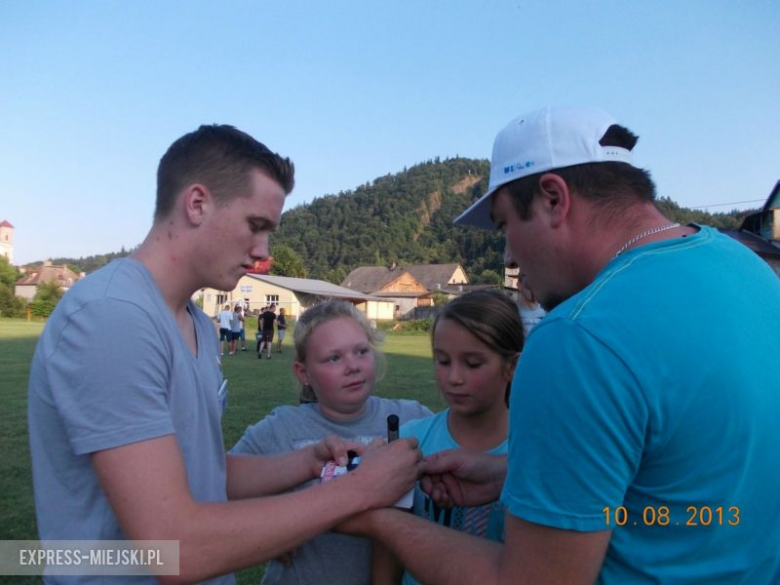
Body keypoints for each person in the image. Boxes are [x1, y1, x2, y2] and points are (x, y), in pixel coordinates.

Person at [338, 106, 780, 583]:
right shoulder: (748, 270)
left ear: (553, 198)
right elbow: (683, 486)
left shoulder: (579, 337)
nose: (508, 255)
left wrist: (378, 516)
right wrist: (510, 474)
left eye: (505, 225)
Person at [27, 124, 424, 584]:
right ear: (197, 204)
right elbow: (173, 549)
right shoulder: (113, 317)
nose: (262, 252)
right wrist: (359, 490)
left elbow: (203, 474)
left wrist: (310, 460)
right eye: (256, 226)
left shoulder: (195, 321)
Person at [232, 300, 432, 585]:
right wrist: (266, 529)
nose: (353, 366)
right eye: (333, 358)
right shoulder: (280, 428)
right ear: (304, 373)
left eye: (361, 352)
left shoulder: (413, 417)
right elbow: (217, 486)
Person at [372, 289, 523, 585]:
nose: (454, 377)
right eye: (443, 360)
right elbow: (386, 546)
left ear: (512, 366)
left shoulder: (535, 451)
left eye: (472, 363)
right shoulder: (409, 442)